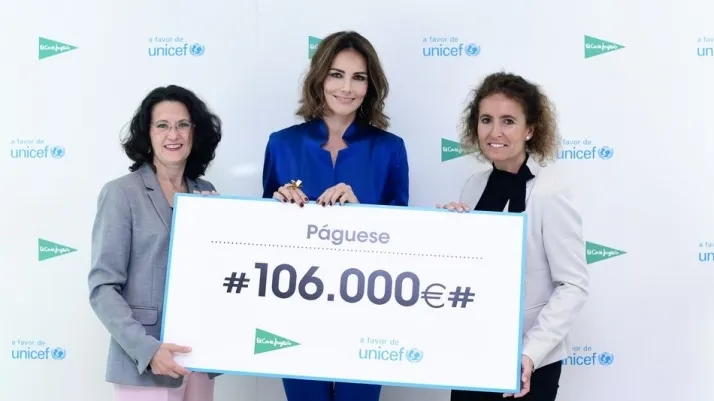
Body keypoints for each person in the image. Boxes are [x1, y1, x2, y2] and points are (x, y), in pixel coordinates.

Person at [261, 31, 409, 401]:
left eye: (358, 77)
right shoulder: (282, 144)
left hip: (367, 316)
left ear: (370, 86)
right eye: (336, 75)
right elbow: (261, 240)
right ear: (319, 78)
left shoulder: (390, 149)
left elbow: (403, 241)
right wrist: (276, 206)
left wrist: (361, 215)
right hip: (295, 313)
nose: (346, 88)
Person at [438, 72, 589, 401]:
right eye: (486, 120)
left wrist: (530, 354)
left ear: (530, 129)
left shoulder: (549, 194)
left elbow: (573, 285)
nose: (495, 132)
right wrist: (449, 234)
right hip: (473, 352)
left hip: (529, 362)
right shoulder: (473, 186)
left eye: (508, 121)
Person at [88, 85, 223, 401]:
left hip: (199, 357)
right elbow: (103, 287)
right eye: (162, 125)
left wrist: (220, 231)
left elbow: (217, 275)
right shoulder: (121, 193)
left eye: (183, 125)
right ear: (147, 135)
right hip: (144, 362)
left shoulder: (206, 190)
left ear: (195, 132)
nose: (173, 134)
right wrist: (148, 350)